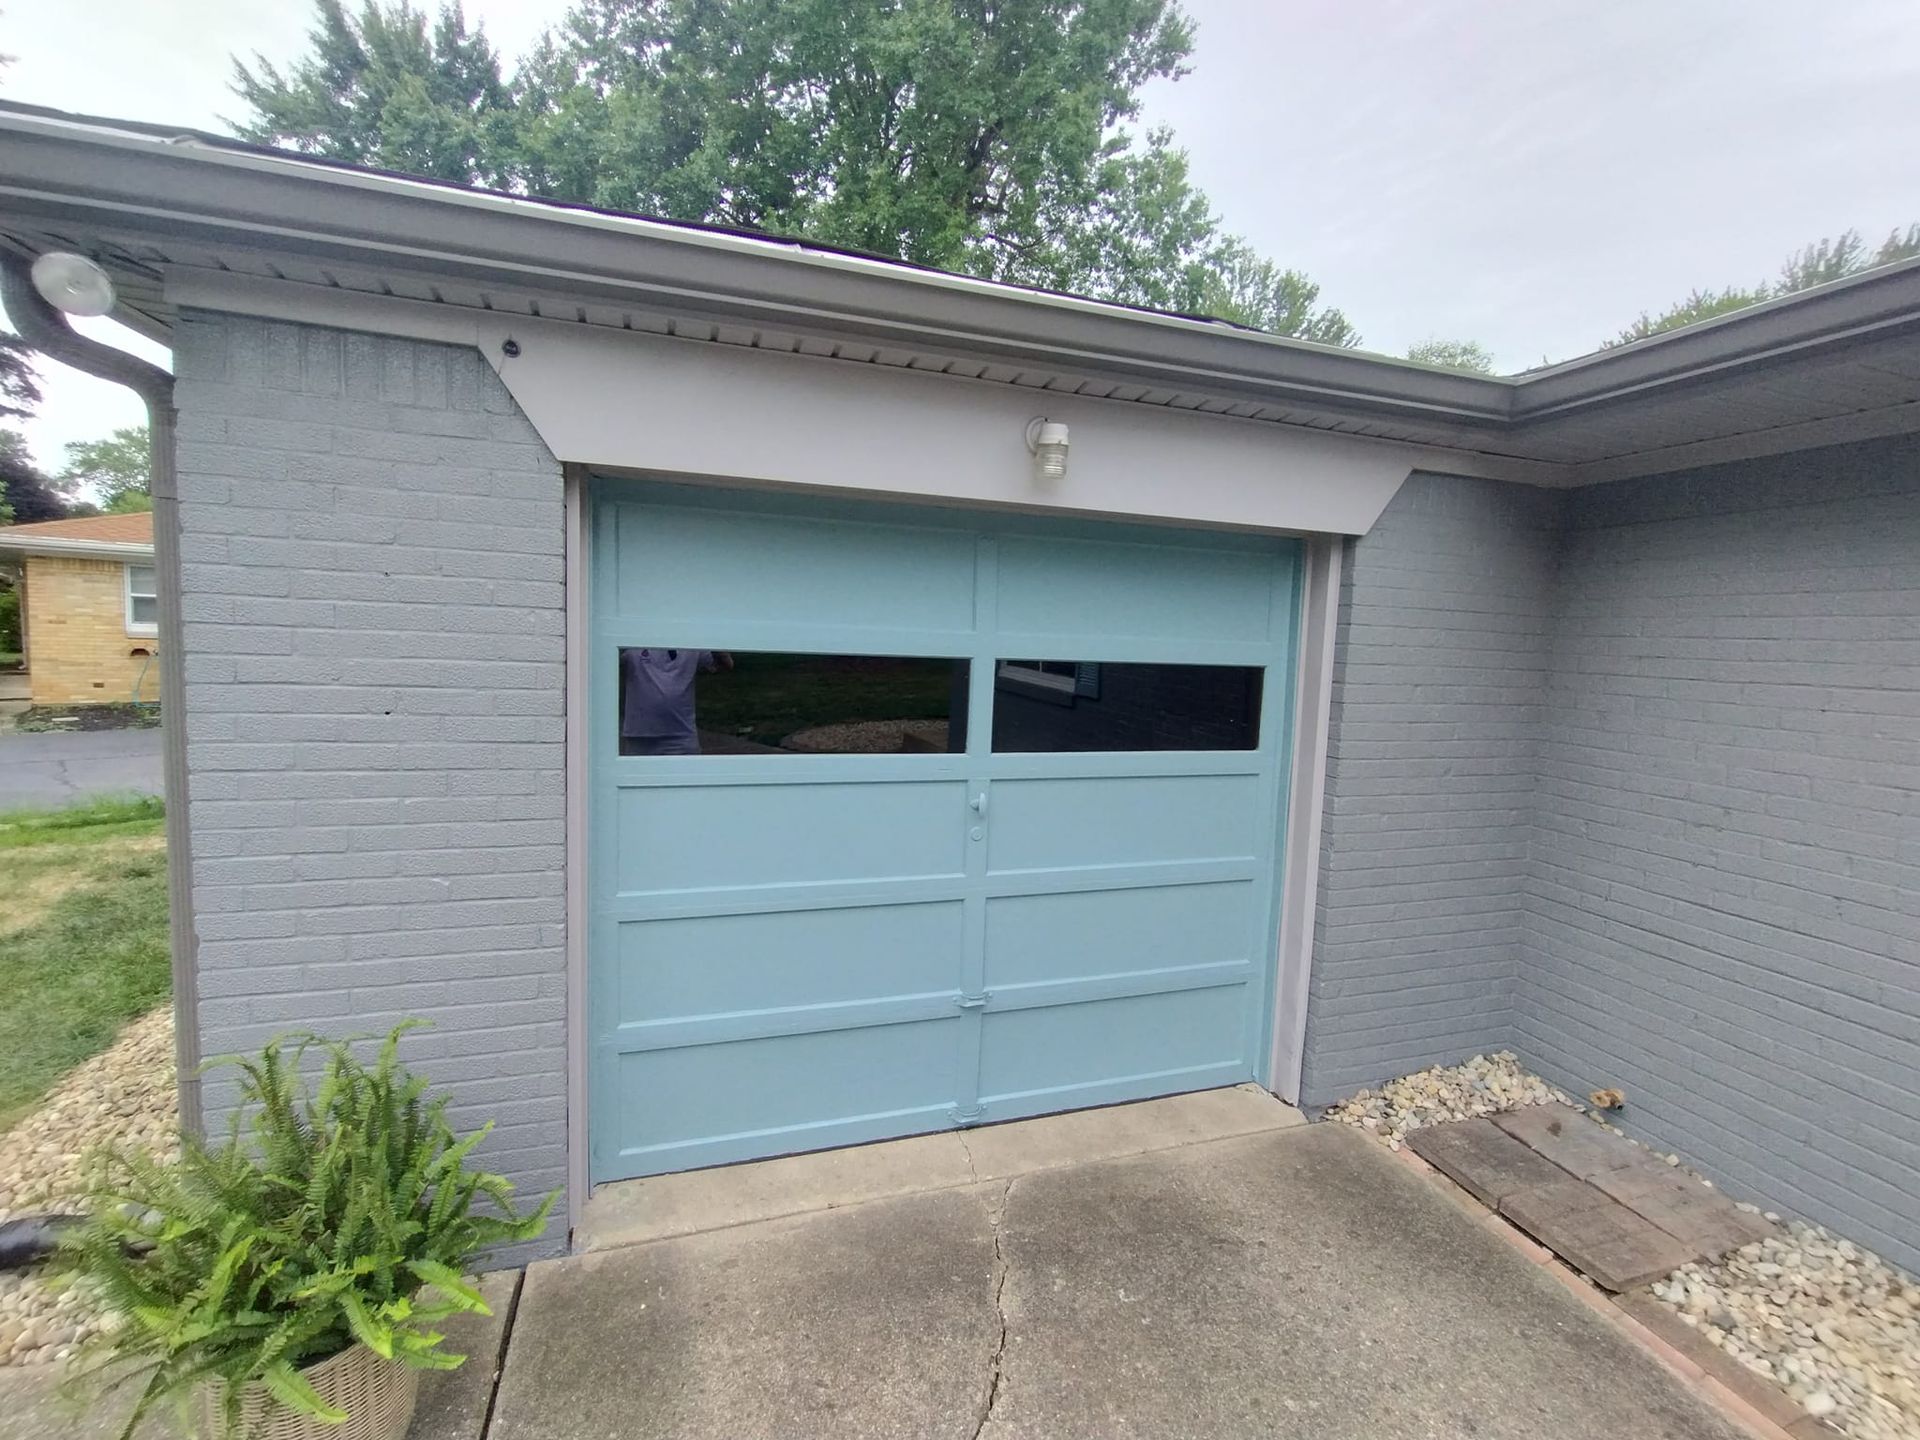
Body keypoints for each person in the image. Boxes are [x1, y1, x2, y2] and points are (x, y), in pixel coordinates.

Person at [620, 648, 732, 755]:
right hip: (640, 736)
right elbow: (609, 664)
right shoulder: (635, 642)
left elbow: (725, 664)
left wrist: (708, 637)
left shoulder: (692, 645)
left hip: (682, 736)